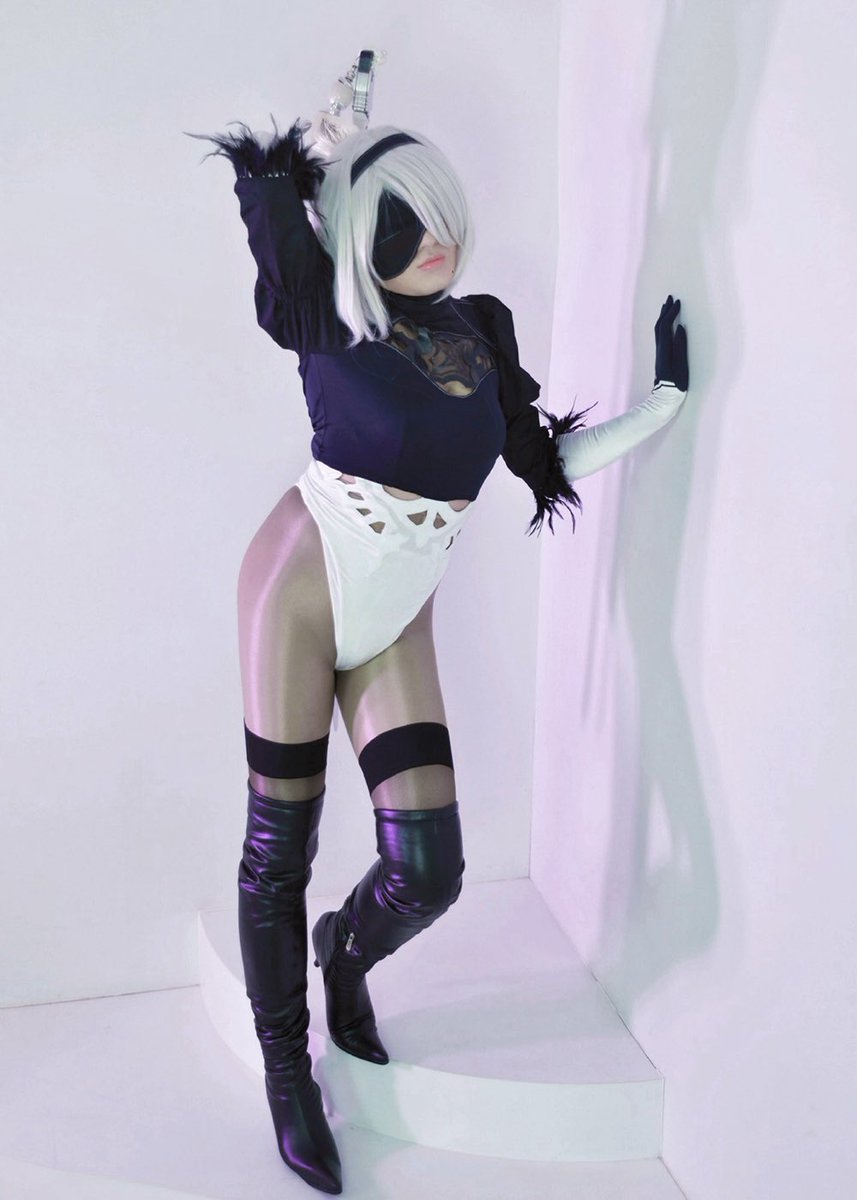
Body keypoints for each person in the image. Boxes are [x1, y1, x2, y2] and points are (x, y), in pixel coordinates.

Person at [185, 114, 689, 1195]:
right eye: (402, 224)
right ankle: (288, 1068)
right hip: (300, 586)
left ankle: (343, 951)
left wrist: (661, 406)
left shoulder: (479, 330)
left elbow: (542, 460)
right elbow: (274, 217)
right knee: (277, 848)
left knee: (428, 869)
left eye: (440, 216)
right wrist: (315, 149)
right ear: (356, 233)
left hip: (396, 616)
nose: (434, 241)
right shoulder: (327, 317)